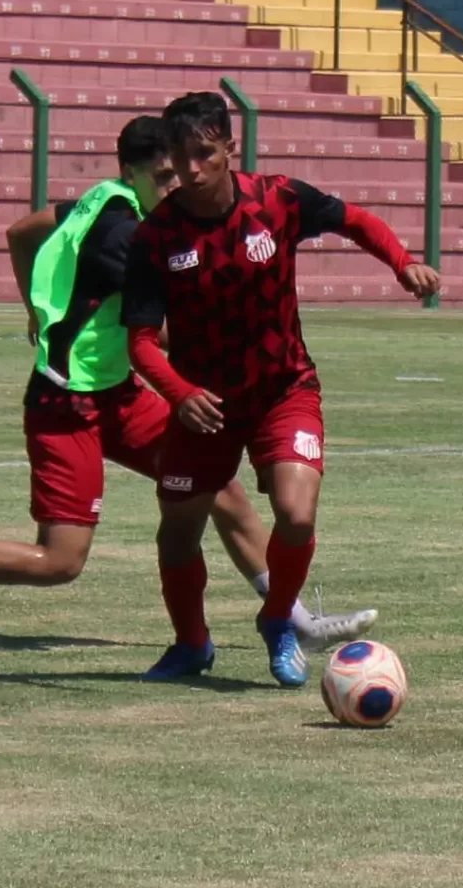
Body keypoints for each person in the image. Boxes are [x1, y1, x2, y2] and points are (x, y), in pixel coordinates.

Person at [0, 115, 378, 653]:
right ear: (129, 172)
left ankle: (291, 619)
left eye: (177, 171)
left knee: (220, 489)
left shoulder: (108, 198)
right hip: (66, 405)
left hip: (117, 392)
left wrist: (37, 311)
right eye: (162, 175)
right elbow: (169, 334)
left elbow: (24, 230)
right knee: (60, 561)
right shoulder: (129, 236)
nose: (177, 184)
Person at [120, 92, 441, 687]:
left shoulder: (278, 199)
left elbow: (356, 220)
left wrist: (401, 262)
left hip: (282, 389)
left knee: (295, 513)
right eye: (180, 157)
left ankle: (278, 620)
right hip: (205, 410)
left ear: (228, 149)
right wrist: (179, 392)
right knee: (177, 534)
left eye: (204, 154)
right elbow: (139, 341)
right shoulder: (157, 236)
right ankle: (191, 644)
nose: (190, 170)